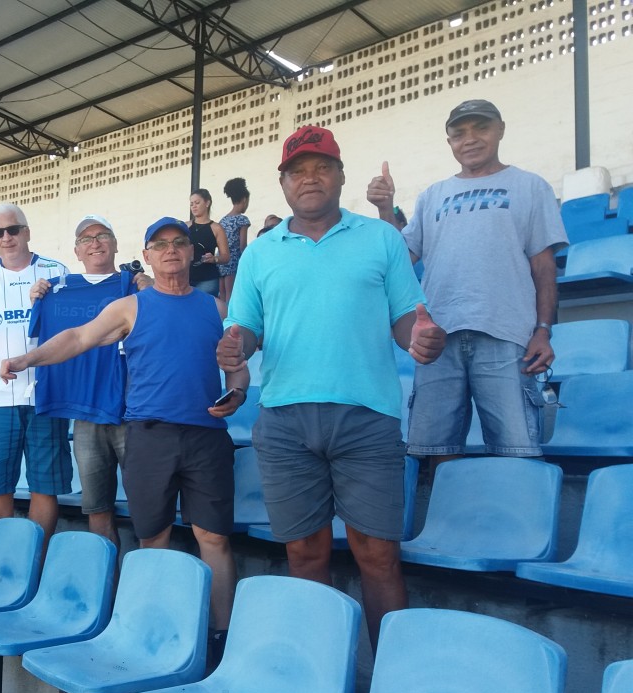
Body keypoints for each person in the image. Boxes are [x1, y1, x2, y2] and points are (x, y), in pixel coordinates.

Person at [218, 125, 447, 649]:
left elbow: (406, 319)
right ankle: (316, 680)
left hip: (367, 418)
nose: (310, 178)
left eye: (322, 167)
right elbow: (246, 330)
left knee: (378, 556)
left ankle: (394, 677)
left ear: (340, 176)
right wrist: (236, 346)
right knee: (305, 555)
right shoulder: (260, 252)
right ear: (283, 183)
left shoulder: (381, 238)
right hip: (285, 422)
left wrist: (422, 338)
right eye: (298, 170)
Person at [1, 216, 249, 662]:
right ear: (149, 256)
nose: (171, 250)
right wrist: (26, 359)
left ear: (192, 253)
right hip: (150, 436)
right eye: (160, 245)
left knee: (214, 538)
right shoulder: (131, 306)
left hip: (207, 436)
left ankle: (222, 636)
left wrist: (239, 390)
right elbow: (77, 338)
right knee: (153, 537)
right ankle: (157, 627)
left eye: (178, 243)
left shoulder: (214, 309)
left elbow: (234, 364)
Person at [366, 99, 567, 467]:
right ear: (450, 143)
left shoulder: (530, 186)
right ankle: (451, 524)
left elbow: (544, 267)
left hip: (506, 334)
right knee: (438, 451)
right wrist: (385, 208)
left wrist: (543, 330)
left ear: (501, 129)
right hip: (438, 338)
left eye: (481, 128)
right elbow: (401, 256)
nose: (470, 139)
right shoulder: (432, 195)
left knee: (515, 450)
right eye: (459, 134)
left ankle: (517, 525)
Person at [0, 202, 72, 555]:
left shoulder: (55, 271)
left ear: (27, 232)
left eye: (13, 229)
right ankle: (1, 559)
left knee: (44, 485)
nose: (7, 237)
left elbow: (74, 330)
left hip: (46, 395)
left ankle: (36, 559)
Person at [27, 215, 151, 550]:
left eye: (102, 235)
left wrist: (154, 291)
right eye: (86, 238)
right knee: (98, 513)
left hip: (133, 412)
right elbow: (43, 336)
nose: (95, 242)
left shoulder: (134, 285)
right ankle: (107, 588)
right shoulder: (56, 289)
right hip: (85, 412)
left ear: (114, 244)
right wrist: (38, 298)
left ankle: (145, 586)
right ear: (76, 251)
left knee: (149, 511)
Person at [187, 188, 230, 296]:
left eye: (197, 203)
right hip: (186, 277)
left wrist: (214, 258)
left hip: (207, 278)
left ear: (207, 203)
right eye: (191, 204)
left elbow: (225, 256)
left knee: (203, 309)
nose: (194, 206)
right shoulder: (186, 226)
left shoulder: (216, 228)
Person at [218, 178, 251, 302]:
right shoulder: (242, 220)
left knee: (222, 297)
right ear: (244, 199)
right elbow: (243, 246)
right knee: (232, 298)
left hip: (221, 263)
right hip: (234, 263)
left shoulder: (223, 220)